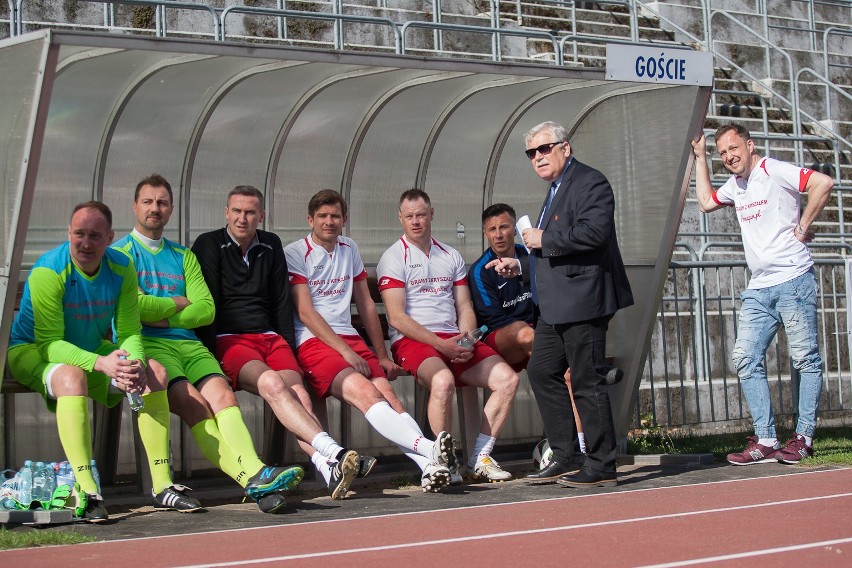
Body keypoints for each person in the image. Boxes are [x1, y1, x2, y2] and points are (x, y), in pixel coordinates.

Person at [113, 174, 305, 513]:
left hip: (191, 346)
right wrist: (177, 304)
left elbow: (206, 310)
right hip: (151, 347)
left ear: (171, 209)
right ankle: (254, 477)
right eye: (148, 202)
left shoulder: (183, 255)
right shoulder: (120, 254)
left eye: (161, 203)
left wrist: (160, 311)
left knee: (224, 397)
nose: (155, 209)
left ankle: (256, 476)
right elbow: (133, 308)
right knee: (196, 406)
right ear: (135, 206)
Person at [7, 202, 202, 522]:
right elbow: (49, 345)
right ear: (69, 233)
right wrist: (102, 363)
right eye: (79, 234)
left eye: (94, 235)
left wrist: (134, 365)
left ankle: (162, 487)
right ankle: (88, 493)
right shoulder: (48, 271)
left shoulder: (122, 266)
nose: (85, 243)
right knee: (73, 378)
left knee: (154, 372)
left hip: (92, 350)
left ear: (110, 237)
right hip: (33, 352)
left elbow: (128, 331)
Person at [191, 185, 361, 500]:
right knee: (271, 383)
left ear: (261, 215)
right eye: (237, 211)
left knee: (299, 394)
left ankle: (327, 471)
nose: (243, 218)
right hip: (231, 340)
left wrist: (287, 346)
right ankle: (333, 451)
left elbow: (282, 302)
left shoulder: (270, 244)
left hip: (270, 338)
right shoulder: (208, 244)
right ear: (227, 213)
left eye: (250, 212)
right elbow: (208, 304)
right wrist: (208, 352)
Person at [491, 121, 633, 487]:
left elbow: (594, 233)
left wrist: (544, 238)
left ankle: (601, 464)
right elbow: (547, 252)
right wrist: (520, 266)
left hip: (584, 300)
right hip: (557, 305)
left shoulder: (589, 182)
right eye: (531, 153)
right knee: (541, 371)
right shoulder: (556, 188)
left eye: (544, 149)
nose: (537, 157)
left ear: (564, 148)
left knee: (587, 381)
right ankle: (568, 455)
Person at [284, 190, 456, 492]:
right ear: (310, 220)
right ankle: (430, 451)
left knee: (388, 395)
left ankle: (428, 466)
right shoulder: (296, 252)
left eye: (335, 216)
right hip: (315, 341)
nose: (329, 222)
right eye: (322, 216)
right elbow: (305, 312)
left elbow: (364, 303)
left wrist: (382, 354)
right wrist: (344, 351)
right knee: (367, 393)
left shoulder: (349, 248)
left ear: (344, 219)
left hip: (350, 339)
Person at [692, 123, 834, 465]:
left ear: (750, 145)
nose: (728, 156)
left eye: (733, 148)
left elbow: (823, 183)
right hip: (759, 287)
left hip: (793, 279)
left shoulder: (772, 168)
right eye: (723, 152)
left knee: (804, 359)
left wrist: (803, 226)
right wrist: (700, 158)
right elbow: (706, 203)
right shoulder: (735, 185)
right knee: (745, 357)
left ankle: (803, 438)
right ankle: (767, 438)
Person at [377, 189, 520, 482]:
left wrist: (467, 338)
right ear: (400, 219)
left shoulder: (450, 255)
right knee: (442, 383)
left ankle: (479, 456)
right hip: (414, 342)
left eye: (421, 215)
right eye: (409, 216)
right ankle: (443, 462)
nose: (416, 221)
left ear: (432, 214)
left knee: (508, 379)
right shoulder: (393, 257)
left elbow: (464, 305)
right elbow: (396, 317)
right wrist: (441, 344)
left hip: (454, 340)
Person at [469, 203, 534, 371]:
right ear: (485, 234)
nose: (498, 235)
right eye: (492, 229)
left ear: (514, 229)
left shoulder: (530, 257)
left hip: (535, 333)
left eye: (504, 227)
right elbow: (494, 320)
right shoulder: (480, 270)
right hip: (499, 337)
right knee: (526, 333)